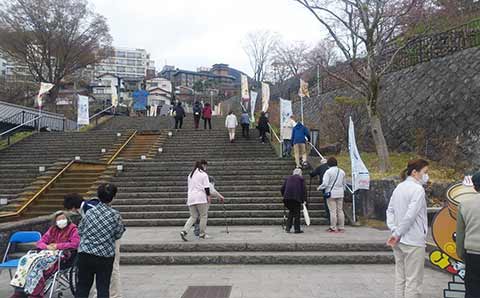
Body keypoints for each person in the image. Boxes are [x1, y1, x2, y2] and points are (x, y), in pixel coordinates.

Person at [63, 194, 122, 298]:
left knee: (112, 270)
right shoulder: (88, 207)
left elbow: (82, 230)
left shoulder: (89, 209)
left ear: (72, 207)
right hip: (99, 245)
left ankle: (114, 294)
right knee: (101, 279)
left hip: (106, 242)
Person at [10, 211, 80, 298]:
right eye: (59, 219)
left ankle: (35, 293)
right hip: (47, 251)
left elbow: (75, 244)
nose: (61, 221)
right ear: (55, 221)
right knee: (25, 260)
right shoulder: (52, 229)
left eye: (63, 218)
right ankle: (20, 290)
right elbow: (40, 242)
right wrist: (47, 247)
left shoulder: (73, 229)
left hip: (62, 254)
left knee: (37, 263)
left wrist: (57, 246)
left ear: (67, 219)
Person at [386, 159, 429, 298]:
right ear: (415, 172)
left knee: (401, 278)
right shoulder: (418, 190)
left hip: (398, 240)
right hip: (413, 240)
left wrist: (394, 229)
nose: (426, 176)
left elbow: (390, 210)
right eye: (425, 172)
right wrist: (397, 232)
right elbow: (411, 215)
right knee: (413, 281)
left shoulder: (400, 187)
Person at [456, 171, 480, 298]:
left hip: (472, 255)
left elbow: (460, 234)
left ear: (475, 187)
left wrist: (461, 254)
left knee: (472, 290)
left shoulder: (464, 205)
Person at [180, 160, 211, 241]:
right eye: (206, 166)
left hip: (191, 198)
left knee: (193, 216)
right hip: (200, 197)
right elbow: (206, 187)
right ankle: (202, 234)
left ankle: (184, 231)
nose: (206, 167)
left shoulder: (190, 175)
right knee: (203, 216)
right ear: (203, 165)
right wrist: (208, 196)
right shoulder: (203, 174)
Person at [317, 157, 346, 233]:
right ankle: (341, 227)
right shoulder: (342, 171)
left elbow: (325, 184)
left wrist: (319, 188)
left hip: (331, 194)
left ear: (328, 164)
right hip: (340, 193)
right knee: (340, 210)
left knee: (332, 211)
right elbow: (344, 184)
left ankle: (333, 227)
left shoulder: (328, 172)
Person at [281, 168, 307, 234]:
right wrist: (304, 200)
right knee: (297, 214)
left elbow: (282, 188)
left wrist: (284, 195)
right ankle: (297, 229)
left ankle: (288, 228)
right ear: (300, 173)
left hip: (287, 199)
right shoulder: (301, 179)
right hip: (296, 198)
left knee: (291, 212)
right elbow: (304, 190)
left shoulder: (288, 178)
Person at [310, 158, 330, 225]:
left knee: (326, 201)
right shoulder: (330, 167)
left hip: (325, 187)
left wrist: (310, 173)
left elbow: (313, 173)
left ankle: (329, 216)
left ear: (321, 163)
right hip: (334, 187)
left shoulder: (320, 167)